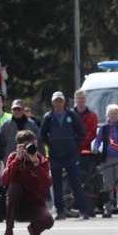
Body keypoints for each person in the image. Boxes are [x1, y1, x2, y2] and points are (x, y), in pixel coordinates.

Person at [40, 91, 90, 220]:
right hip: (55, 156)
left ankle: (83, 210)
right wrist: (50, 144)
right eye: (56, 101)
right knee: (56, 185)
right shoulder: (48, 117)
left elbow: (81, 133)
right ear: (52, 102)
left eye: (60, 100)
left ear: (64, 102)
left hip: (70, 155)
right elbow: (42, 135)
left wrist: (74, 145)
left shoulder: (72, 115)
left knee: (76, 183)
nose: (58, 103)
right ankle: (60, 211)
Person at [0, 130, 53, 235]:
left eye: (33, 145)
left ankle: (34, 231)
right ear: (19, 147)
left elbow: (47, 183)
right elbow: (4, 180)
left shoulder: (40, 159)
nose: (31, 148)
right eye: (27, 146)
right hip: (16, 206)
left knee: (48, 220)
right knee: (14, 188)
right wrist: (17, 160)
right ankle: (8, 232)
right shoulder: (14, 157)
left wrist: (36, 165)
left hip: (34, 204)